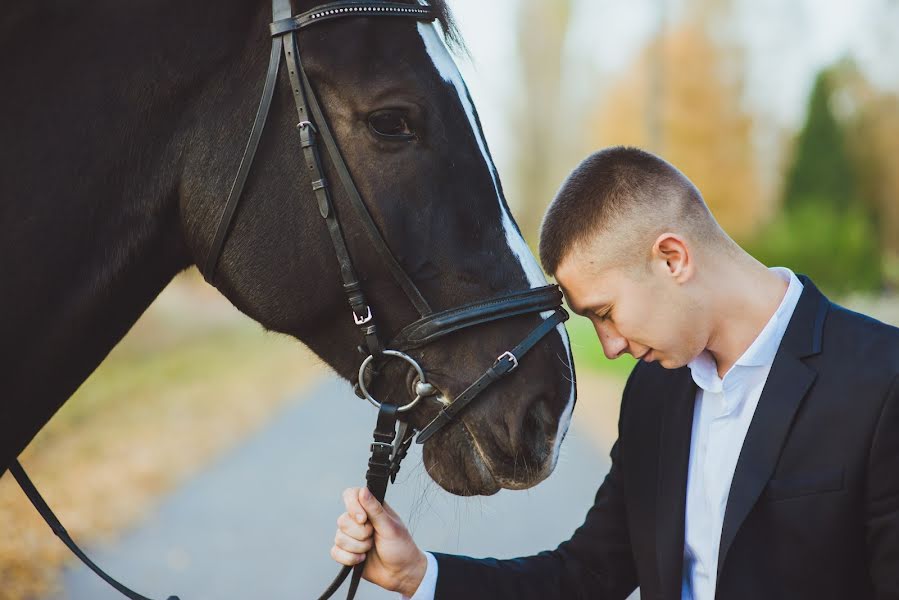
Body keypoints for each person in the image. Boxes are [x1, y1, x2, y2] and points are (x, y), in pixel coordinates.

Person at [329, 146, 899, 599]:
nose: (609, 347)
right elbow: (586, 577)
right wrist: (418, 574)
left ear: (672, 257)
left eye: (604, 313)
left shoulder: (882, 382)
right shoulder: (656, 392)